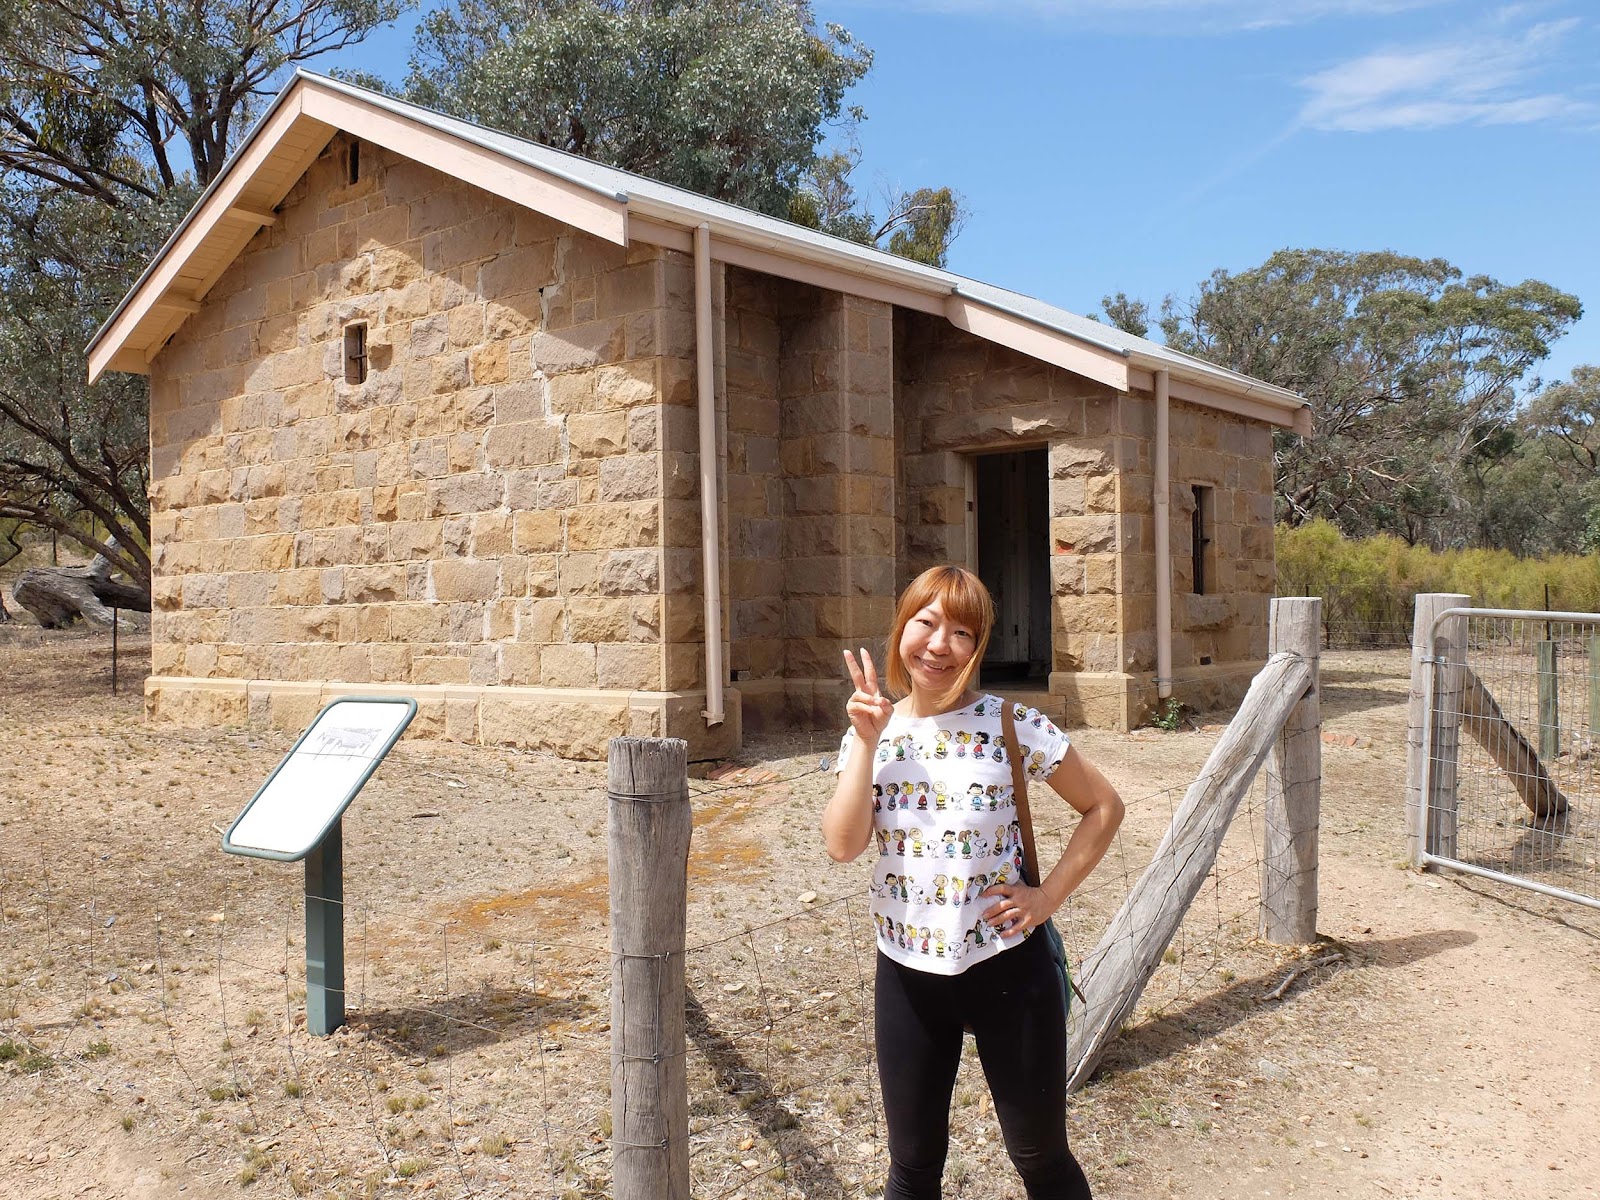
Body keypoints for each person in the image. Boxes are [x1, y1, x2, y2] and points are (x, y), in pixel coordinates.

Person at [822, 565, 1124, 1200]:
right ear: (902, 627)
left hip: (1008, 967)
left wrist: (1048, 897)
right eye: (927, 623)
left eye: (962, 632)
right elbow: (843, 846)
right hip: (907, 973)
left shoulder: (1012, 724)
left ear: (979, 646)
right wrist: (868, 742)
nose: (939, 645)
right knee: (911, 1168)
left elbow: (1104, 807)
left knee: (1040, 1156)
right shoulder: (873, 733)